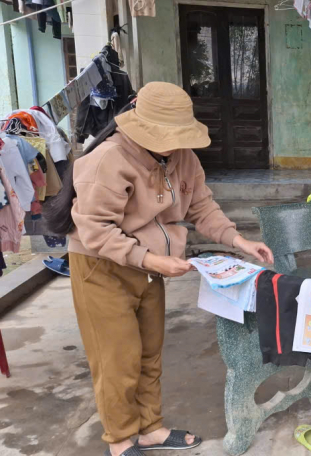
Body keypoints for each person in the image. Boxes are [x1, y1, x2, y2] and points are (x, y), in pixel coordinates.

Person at [45, 82, 274, 456]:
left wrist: (239, 241)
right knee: (116, 359)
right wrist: (153, 260)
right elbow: (96, 230)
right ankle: (120, 439)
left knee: (149, 353)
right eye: (165, 135)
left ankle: (150, 428)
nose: (173, 144)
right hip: (101, 266)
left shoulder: (183, 158)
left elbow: (202, 207)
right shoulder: (108, 159)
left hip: (150, 267)